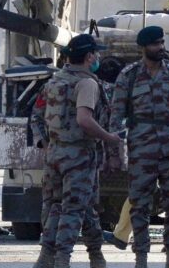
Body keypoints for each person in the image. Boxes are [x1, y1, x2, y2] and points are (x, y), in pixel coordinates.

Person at [108, 26, 169, 268]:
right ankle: (141, 258)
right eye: (156, 44)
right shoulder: (128, 76)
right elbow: (115, 116)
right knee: (139, 206)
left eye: (162, 43)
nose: (161, 47)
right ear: (144, 47)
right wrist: (115, 152)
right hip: (141, 150)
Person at [30, 34, 122, 268]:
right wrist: (109, 139)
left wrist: (46, 144)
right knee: (73, 209)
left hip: (55, 156)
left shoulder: (53, 82)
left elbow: (36, 116)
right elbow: (84, 119)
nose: (98, 58)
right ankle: (62, 260)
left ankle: (92, 256)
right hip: (79, 157)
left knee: (58, 206)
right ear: (89, 56)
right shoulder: (88, 83)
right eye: (96, 53)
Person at [102, 49, 169, 252]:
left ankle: (123, 236)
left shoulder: (147, 85)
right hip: (168, 149)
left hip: (150, 149)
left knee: (140, 194)